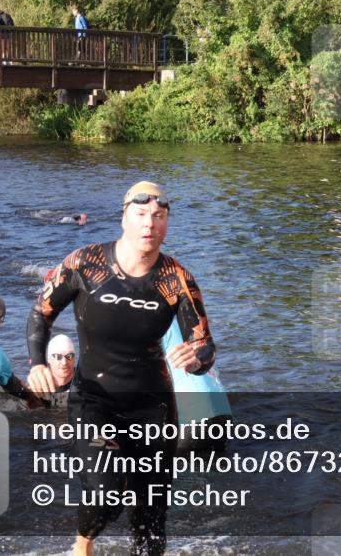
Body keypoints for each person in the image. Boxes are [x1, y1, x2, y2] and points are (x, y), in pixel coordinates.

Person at [27, 181, 217, 556]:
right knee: (105, 493)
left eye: (159, 217)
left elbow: (206, 345)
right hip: (95, 397)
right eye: (141, 215)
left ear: (167, 223)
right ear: (124, 217)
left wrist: (198, 360)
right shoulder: (84, 264)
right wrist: (35, 365)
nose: (150, 224)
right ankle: (82, 543)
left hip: (153, 406)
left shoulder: (177, 280)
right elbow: (40, 315)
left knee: (150, 523)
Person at [44, 334, 76, 407]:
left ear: (74, 358)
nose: (64, 362)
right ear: (49, 359)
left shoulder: (84, 384)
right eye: (58, 357)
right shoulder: (39, 386)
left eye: (69, 356)